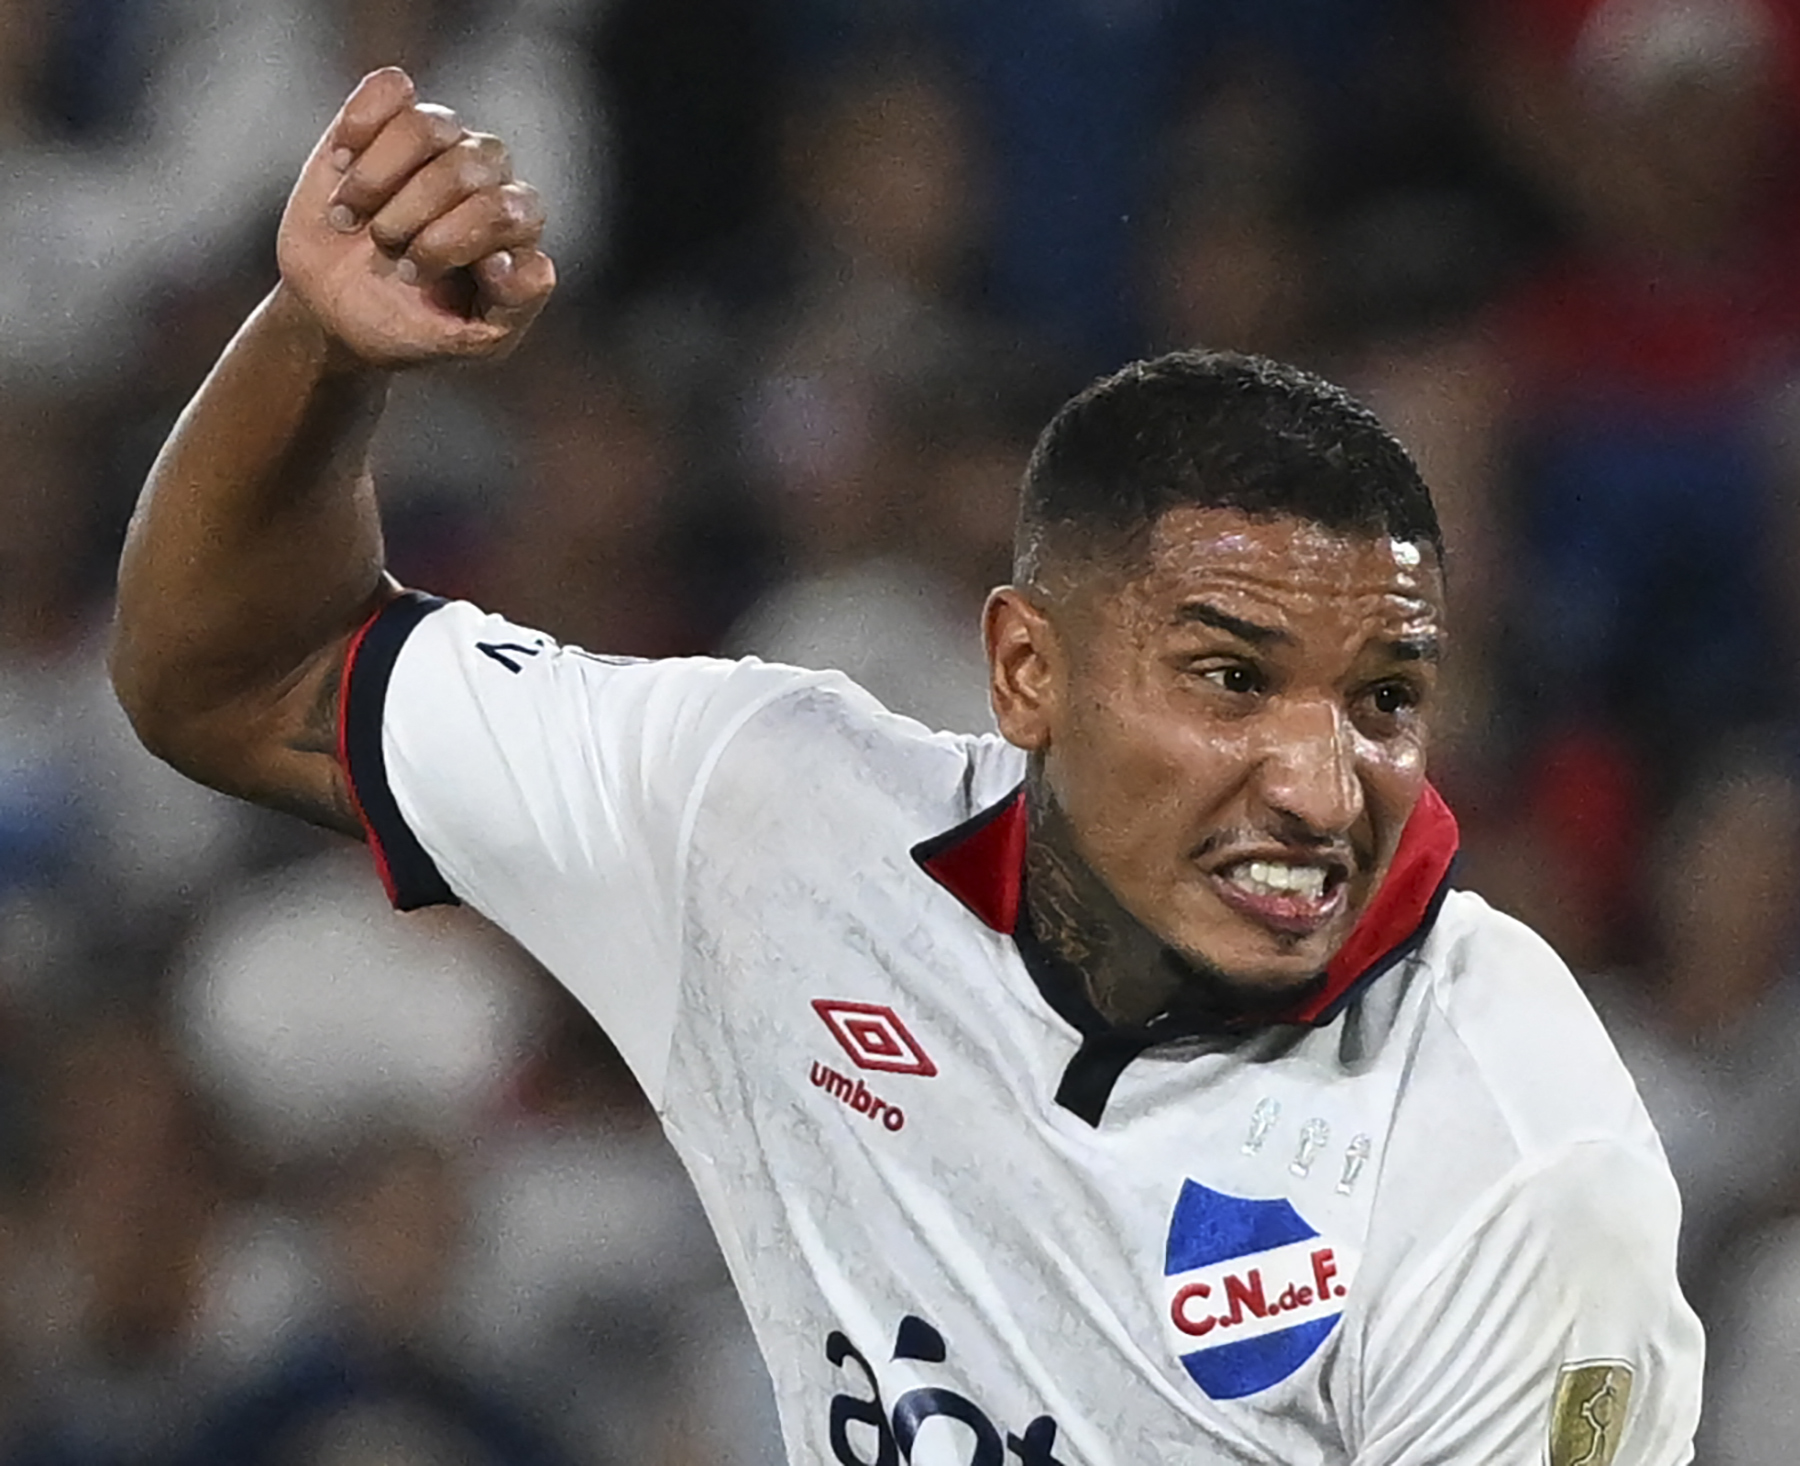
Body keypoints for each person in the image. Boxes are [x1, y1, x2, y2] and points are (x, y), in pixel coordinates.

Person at [109, 68, 1703, 1463]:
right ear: (1027, 670)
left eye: (1384, 698)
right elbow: (232, 673)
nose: (1318, 776)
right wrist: (318, 355)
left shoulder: (1513, 1147)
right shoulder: (768, 818)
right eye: (1231, 679)